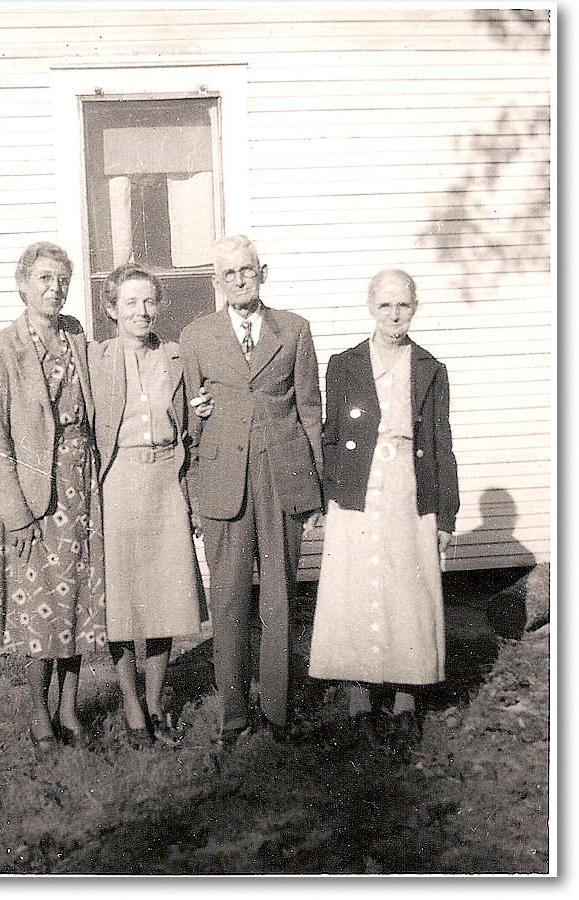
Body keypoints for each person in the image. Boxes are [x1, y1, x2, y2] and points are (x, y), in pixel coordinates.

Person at [307, 268, 459, 759]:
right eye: (386, 306)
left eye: (404, 306)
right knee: (353, 588)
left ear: (415, 308)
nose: (395, 315)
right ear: (371, 308)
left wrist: (445, 514)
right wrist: (327, 497)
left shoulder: (430, 368)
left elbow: (441, 443)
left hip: (408, 488)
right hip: (357, 486)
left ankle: (405, 701)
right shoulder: (345, 364)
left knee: (406, 589)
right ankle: (358, 704)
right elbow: (331, 436)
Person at [179, 235, 324, 748]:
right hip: (223, 484)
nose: (239, 280)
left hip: (282, 479)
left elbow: (309, 409)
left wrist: (316, 493)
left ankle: (279, 713)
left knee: (281, 600)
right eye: (228, 274)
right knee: (229, 601)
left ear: (263, 272)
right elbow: (189, 425)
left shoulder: (295, 330)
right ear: (216, 282)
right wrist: (196, 494)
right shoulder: (196, 336)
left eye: (247, 270)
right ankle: (235, 715)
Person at [0, 241, 107, 756]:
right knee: (38, 609)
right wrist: (16, 513)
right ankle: (38, 713)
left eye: (62, 280)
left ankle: (70, 706)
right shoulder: (1, 348)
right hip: (34, 496)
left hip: (83, 487)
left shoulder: (75, 333)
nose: (55, 289)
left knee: (78, 603)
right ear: (23, 284)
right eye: (44, 279)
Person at [88, 263, 207, 749]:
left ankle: (156, 704)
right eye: (130, 303)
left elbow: (198, 412)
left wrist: (203, 409)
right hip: (117, 479)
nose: (141, 311)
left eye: (149, 302)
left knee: (164, 598)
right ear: (112, 309)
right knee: (122, 602)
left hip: (165, 478)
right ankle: (132, 706)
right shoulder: (95, 359)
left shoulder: (177, 356)